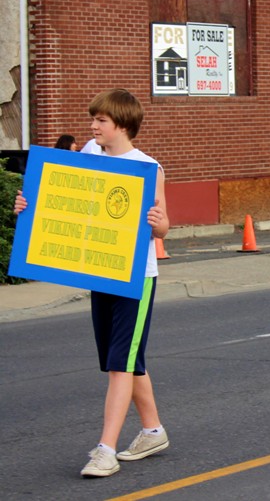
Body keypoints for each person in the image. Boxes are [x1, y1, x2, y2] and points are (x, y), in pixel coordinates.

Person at [14, 88, 171, 478]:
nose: (93, 126)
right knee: (122, 359)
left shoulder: (148, 167)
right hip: (102, 273)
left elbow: (165, 225)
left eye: (100, 120)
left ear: (121, 123)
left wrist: (157, 223)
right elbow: (63, 203)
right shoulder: (89, 156)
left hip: (137, 279)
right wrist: (28, 205)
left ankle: (106, 450)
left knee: (120, 363)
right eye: (94, 120)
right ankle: (153, 430)